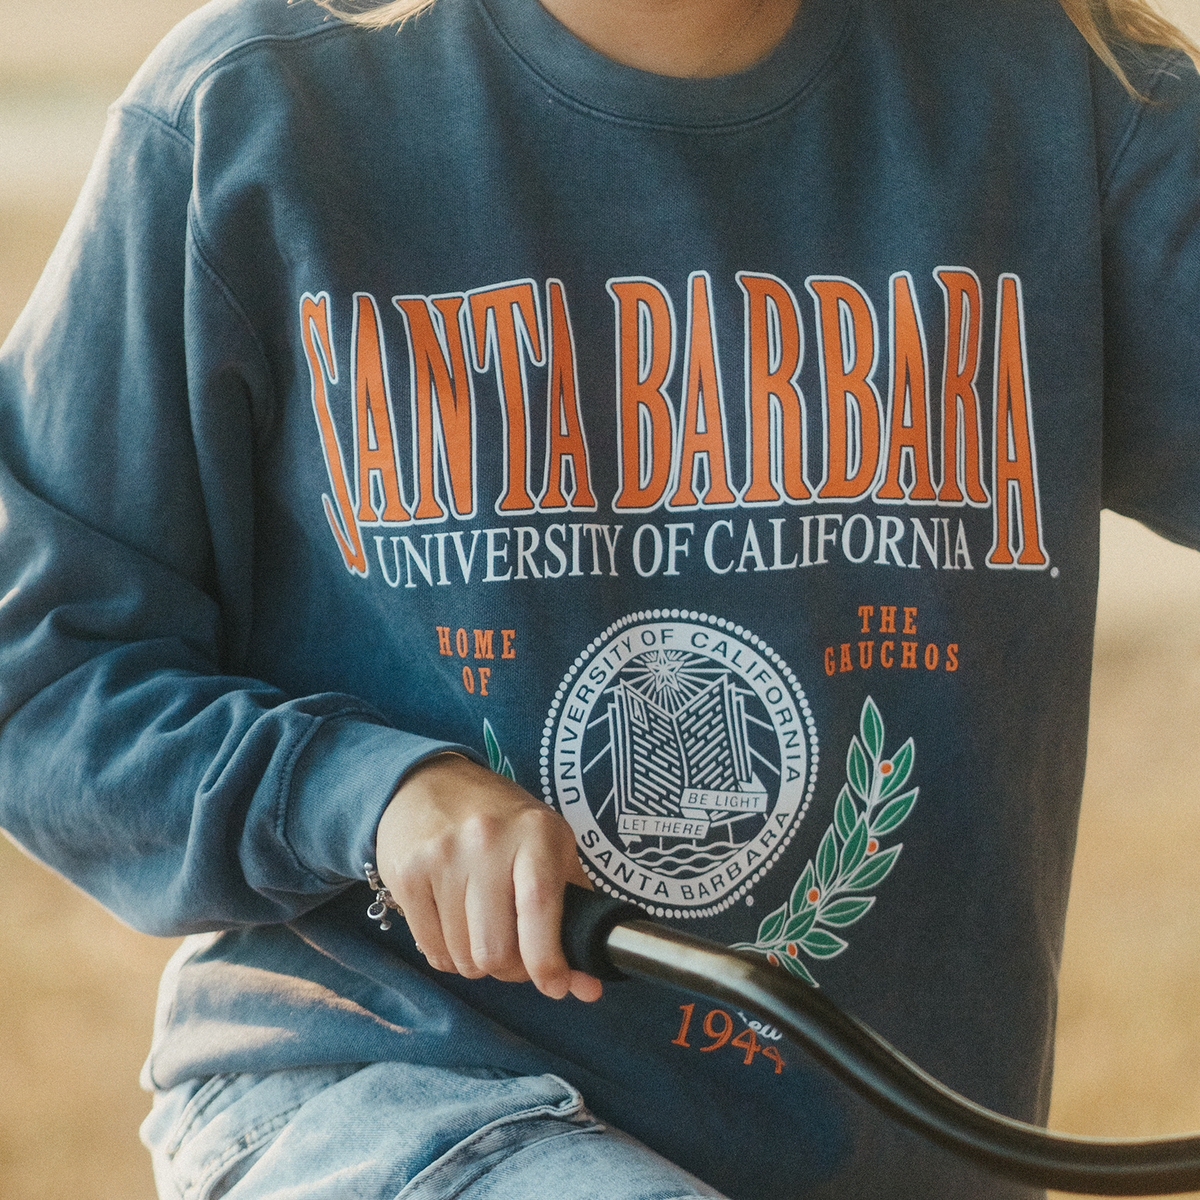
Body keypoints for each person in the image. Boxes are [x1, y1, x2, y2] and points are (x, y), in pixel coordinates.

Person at [1, 0, 1198, 1196]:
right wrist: (366, 794)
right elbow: (39, 665)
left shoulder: (1076, 100)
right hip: (386, 1087)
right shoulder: (250, 111)